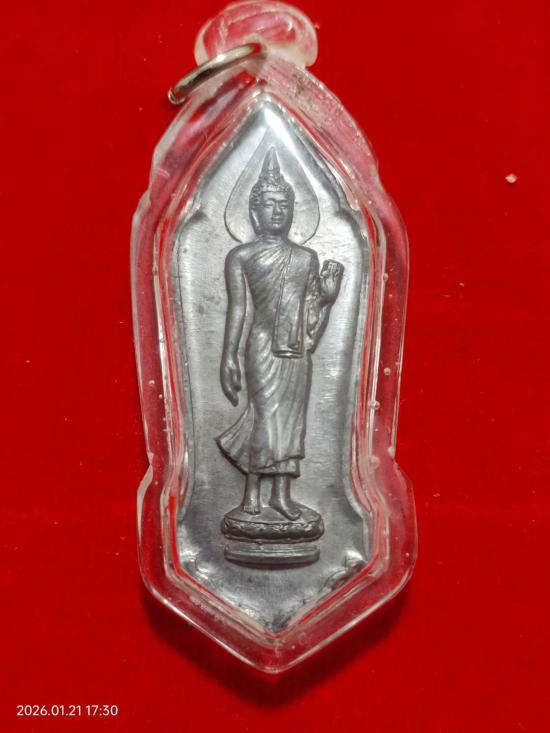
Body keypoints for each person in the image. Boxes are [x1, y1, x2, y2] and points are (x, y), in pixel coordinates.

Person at [217, 148, 342, 520]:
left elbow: (310, 315)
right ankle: (251, 491)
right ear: (255, 212)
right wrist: (228, 355)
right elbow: (239, 309)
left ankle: (282, 495)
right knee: (265, 415)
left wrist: (328, 299)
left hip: (296, 351)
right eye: (270, 204)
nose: (277, 211)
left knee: (292, 420)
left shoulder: (306, 258)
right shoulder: (241, 256)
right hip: (262, 347)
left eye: (284, 205)